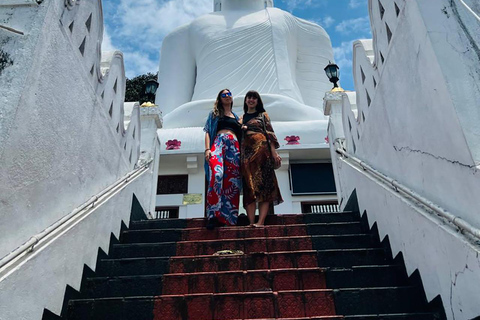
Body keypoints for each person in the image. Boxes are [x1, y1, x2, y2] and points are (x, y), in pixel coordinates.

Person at [241, 90, 283, 227]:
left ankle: (261, 221)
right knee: (249, 186)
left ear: (258, 101)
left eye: (254, 98)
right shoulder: (241, 118)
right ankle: (251, 221)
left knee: (264, 186)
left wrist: (274, 153)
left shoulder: (263, 116)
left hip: (262, 153)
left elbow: (269, 134)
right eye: (249, 98)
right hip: (247, 154)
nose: (251, 100)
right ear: (245, 100)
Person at [204, 89, 242, 229]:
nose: (227, 96)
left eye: (229, 94)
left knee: (232, 182)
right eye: (224, 95)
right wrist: (208, 149)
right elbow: (208, 131)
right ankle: (213, 215)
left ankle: (229, 218)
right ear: (219, 99)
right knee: (217, 175)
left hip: (234, 146)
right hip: (219, 143)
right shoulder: (214, 115)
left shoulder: (236, 117)